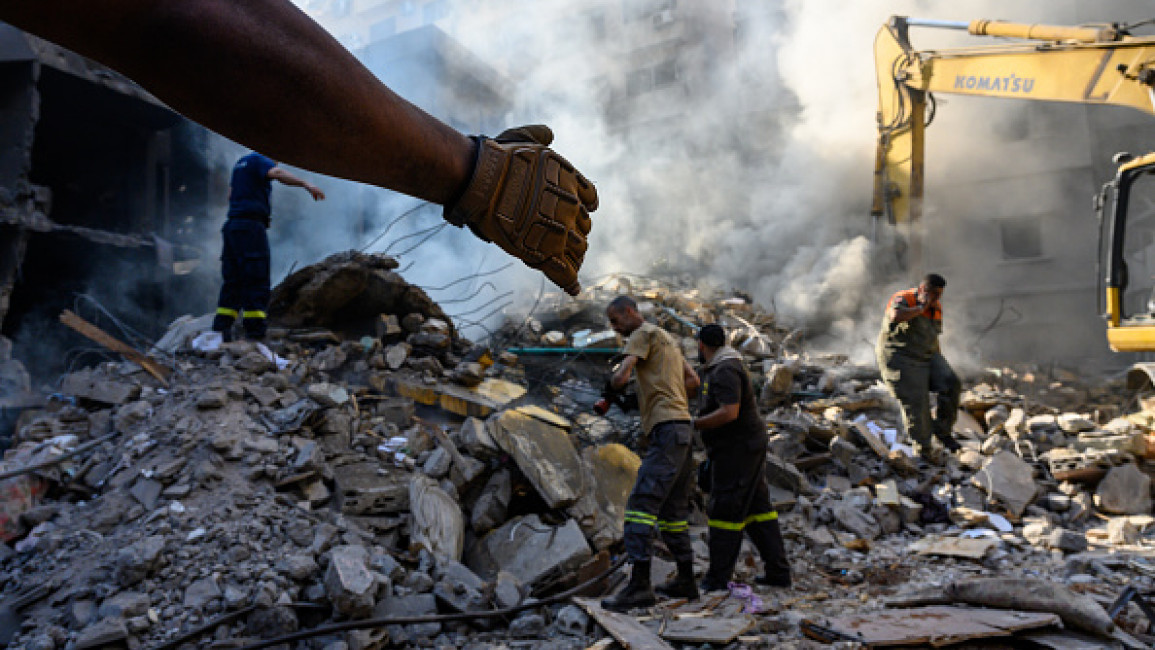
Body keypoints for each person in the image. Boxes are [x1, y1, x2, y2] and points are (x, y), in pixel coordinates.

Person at [0, 1, 598, 295]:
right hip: (243, 232)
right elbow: (177, 21)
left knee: (247, 287)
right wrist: (473, 175)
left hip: (245, 229)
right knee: (246, 283)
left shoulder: (250, 171)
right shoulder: (251, 167)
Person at [602, 295, 701, 611]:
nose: (615, 329)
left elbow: (621, 377)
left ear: (630, 313)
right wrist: (659, 396)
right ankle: (686, 579)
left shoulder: (640, 334)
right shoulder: (667, 338)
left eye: (616, 321)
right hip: (683, 428)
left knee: (639, 506)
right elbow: (693, 381)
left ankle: (640, 587)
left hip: (666, 430)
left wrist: (613, 389)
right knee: (672, 512)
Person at [692, 324, 791, 591]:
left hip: (737, 450)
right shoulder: (721, 365)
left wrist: (696, 424)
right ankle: (778, 573)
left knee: (725, 508)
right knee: (758, 510)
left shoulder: (724, 369)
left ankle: (717, 579)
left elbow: (729, 412)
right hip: (741, 447)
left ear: (701, 345)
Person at [212, 152, 325, 341]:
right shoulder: (259, 159)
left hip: (233, 226)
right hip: (250, 227)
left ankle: (221, 330)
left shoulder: (240, 163)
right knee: (256, 278)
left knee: (233, 280)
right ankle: (255, 334)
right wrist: (306, 184)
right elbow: (278, 174)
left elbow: (231, 194)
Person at [876, 273, 962, 464]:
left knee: (951, 382)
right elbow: (896, 315)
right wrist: (920, 307)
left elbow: (933, 337)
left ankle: (943, 432)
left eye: (939, 295)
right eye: (933, 294)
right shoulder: (904, 298)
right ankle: (923, 449)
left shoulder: (936, 307)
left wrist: (939, 362)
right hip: (900, 357)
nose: (937, 299)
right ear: (923, 290)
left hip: (927, 355)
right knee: (917, 400)